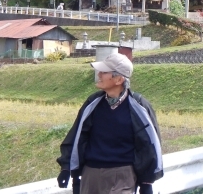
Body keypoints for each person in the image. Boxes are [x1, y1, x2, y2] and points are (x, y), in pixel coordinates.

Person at [56, 53, 163, 194]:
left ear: (119, 79)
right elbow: (77, 136)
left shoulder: (139, 107)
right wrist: (67, 168)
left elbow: (149, 145)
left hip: (122, 175)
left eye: (104, 72)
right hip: (91, 174)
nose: (99, 74)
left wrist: (146, 183)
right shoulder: (92, 103)